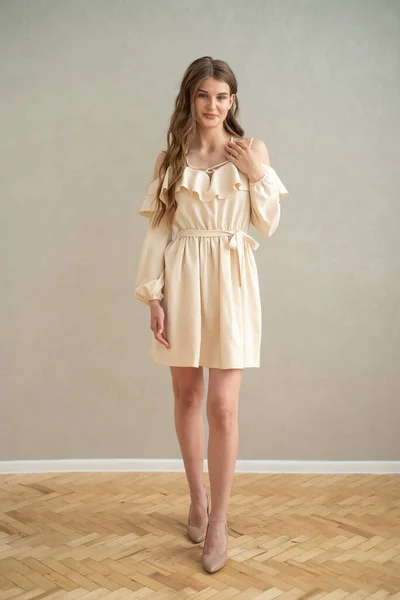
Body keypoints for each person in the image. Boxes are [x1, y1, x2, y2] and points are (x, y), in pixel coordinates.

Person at [134, 56, 289, 573]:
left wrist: (256, 172)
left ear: (234, 101)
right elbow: (158, 230)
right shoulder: (171, 158)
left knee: (223, 405)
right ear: (190, 99)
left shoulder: (252, 151)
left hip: (232, 276)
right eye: (204, 96)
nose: (213, 106)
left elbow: (268, 222)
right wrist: (151, 295)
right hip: (181, 276)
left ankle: (218, 520)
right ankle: (196, 499)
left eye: (223, 97)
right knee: (187, 394)